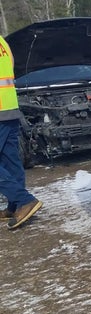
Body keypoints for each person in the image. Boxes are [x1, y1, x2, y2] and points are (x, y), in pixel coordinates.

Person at [0, 33, 42, 230]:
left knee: (9, 160)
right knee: (10, 160)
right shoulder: (2, 43)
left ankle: (24, 200)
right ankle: (16, 205)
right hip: (9, 110)